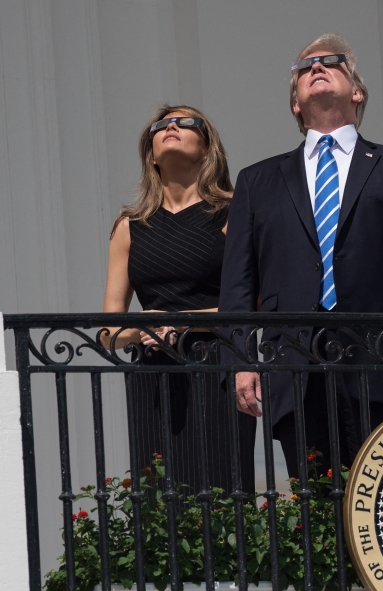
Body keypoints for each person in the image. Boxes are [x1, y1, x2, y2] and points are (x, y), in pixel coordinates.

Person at [219, 34, 383, 480]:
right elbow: (238, 284)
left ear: (357, 91)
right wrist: (240, 361)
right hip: (295, 367)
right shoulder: (258, 181)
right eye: (305, 67)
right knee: (313, 514)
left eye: (331, 62)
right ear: (295, 103)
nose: (317, 67)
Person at [102, 105, 256, 494]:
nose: (172, 126)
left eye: (187, 123)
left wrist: (186, 320)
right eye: (161, 125)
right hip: (153, 375)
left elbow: (252, 306)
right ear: (152, 154)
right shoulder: (129, 227)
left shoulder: (234, 213)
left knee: (221, 494)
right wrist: (139, 333)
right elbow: (108, 331)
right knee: (158, 501)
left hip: (217, 366)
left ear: (207, 149)